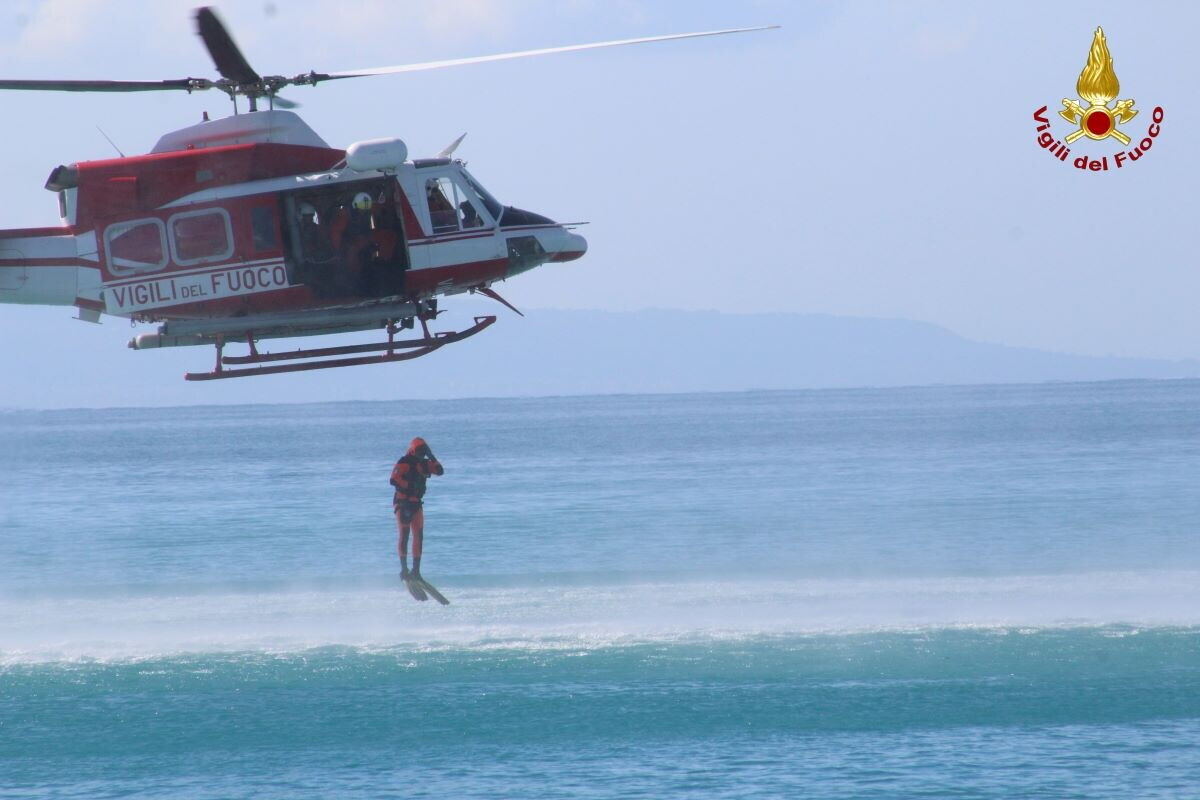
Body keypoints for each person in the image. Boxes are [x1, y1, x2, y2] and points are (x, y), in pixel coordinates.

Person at [389, 437, 444, 580]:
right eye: (420, 451)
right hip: (403, 503)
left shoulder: (425, 464)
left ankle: (416, 571)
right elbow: (393, 479)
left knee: (418, 537)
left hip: (416, 504)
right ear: (413, 450)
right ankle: (404, 570)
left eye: (423, 452)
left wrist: (432, 456)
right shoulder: (404, 462)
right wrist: (408, 486)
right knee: (405, 535)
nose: (421, 454)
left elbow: (440, 471)